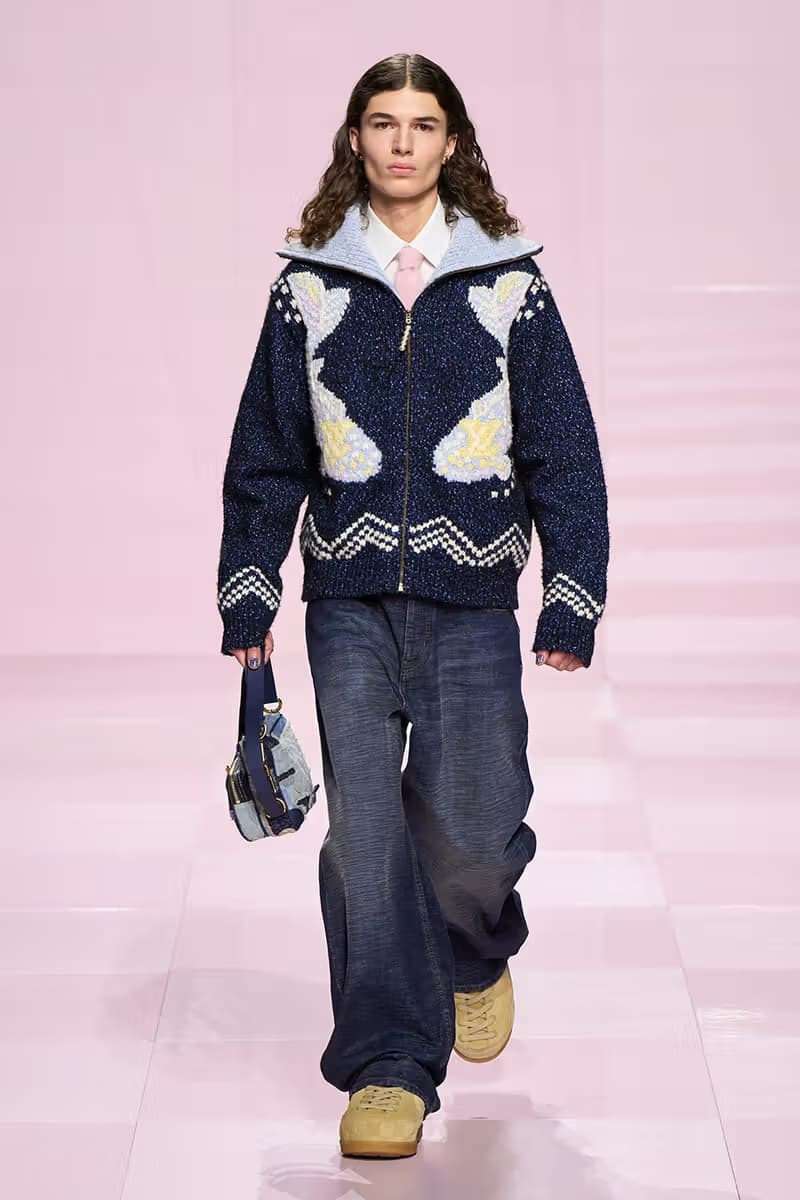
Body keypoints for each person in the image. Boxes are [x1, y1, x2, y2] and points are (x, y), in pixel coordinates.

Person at [216, 52, 610, 1159]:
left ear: (452, 142)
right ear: (355, 139)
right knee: (366, 836)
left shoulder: (508, 283)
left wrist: (570, 597)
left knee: (474, 832)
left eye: (422, 123)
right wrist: (249, 586)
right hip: (345, 600)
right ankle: (388, 1064)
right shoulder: (306, 287)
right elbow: (266, 452)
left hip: (472, 601)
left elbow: (564, 448)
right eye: (382, 122)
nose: (401, 142)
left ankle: (473, 948)